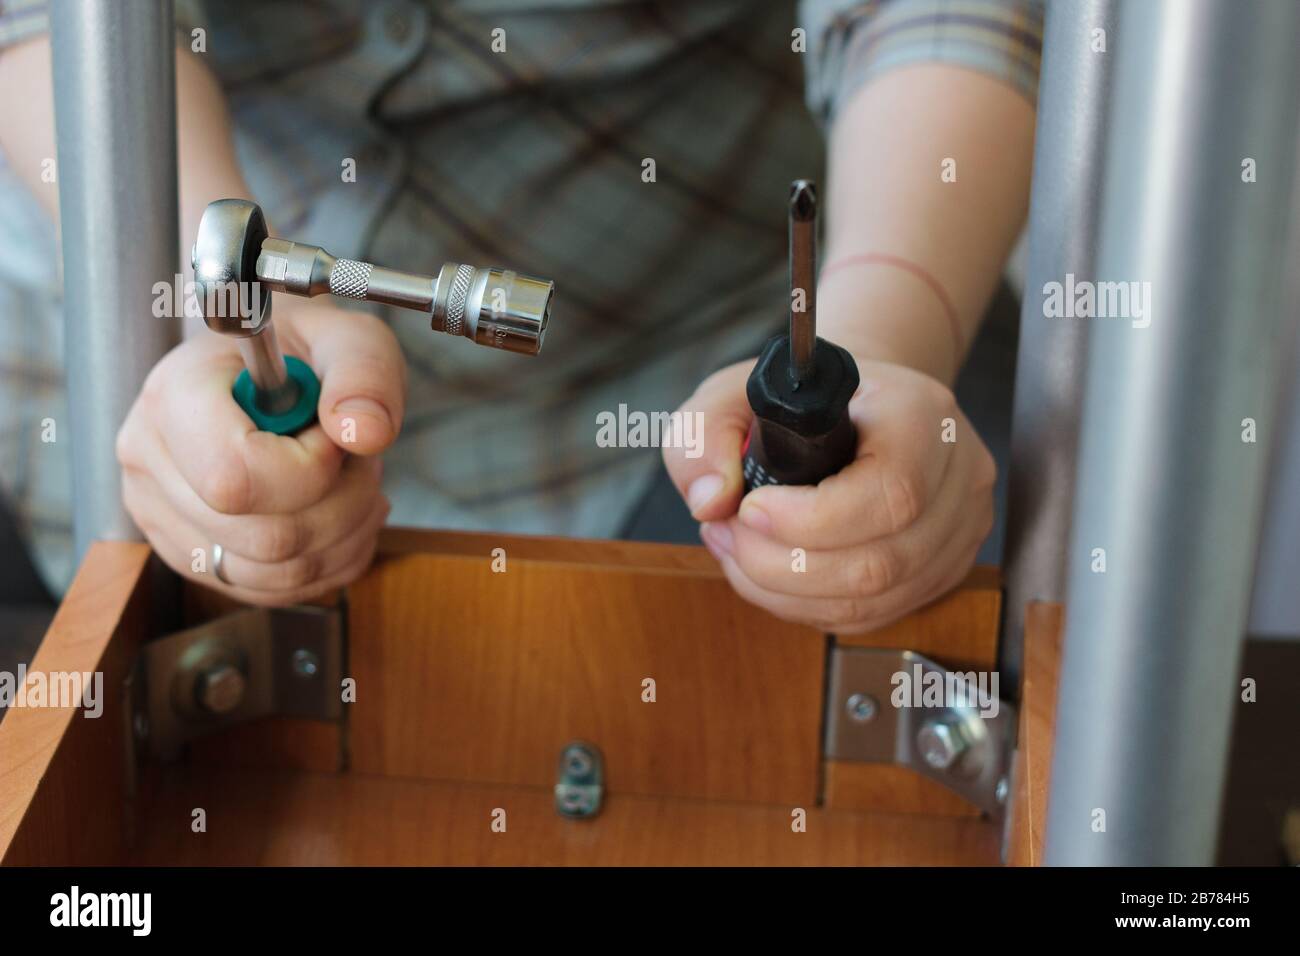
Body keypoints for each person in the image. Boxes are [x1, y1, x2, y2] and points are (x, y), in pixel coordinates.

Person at [0, 0, 1041, 634]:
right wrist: (198, 311)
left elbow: (940, 10)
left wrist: (886, 341)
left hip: (707, 348)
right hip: (107, 368)